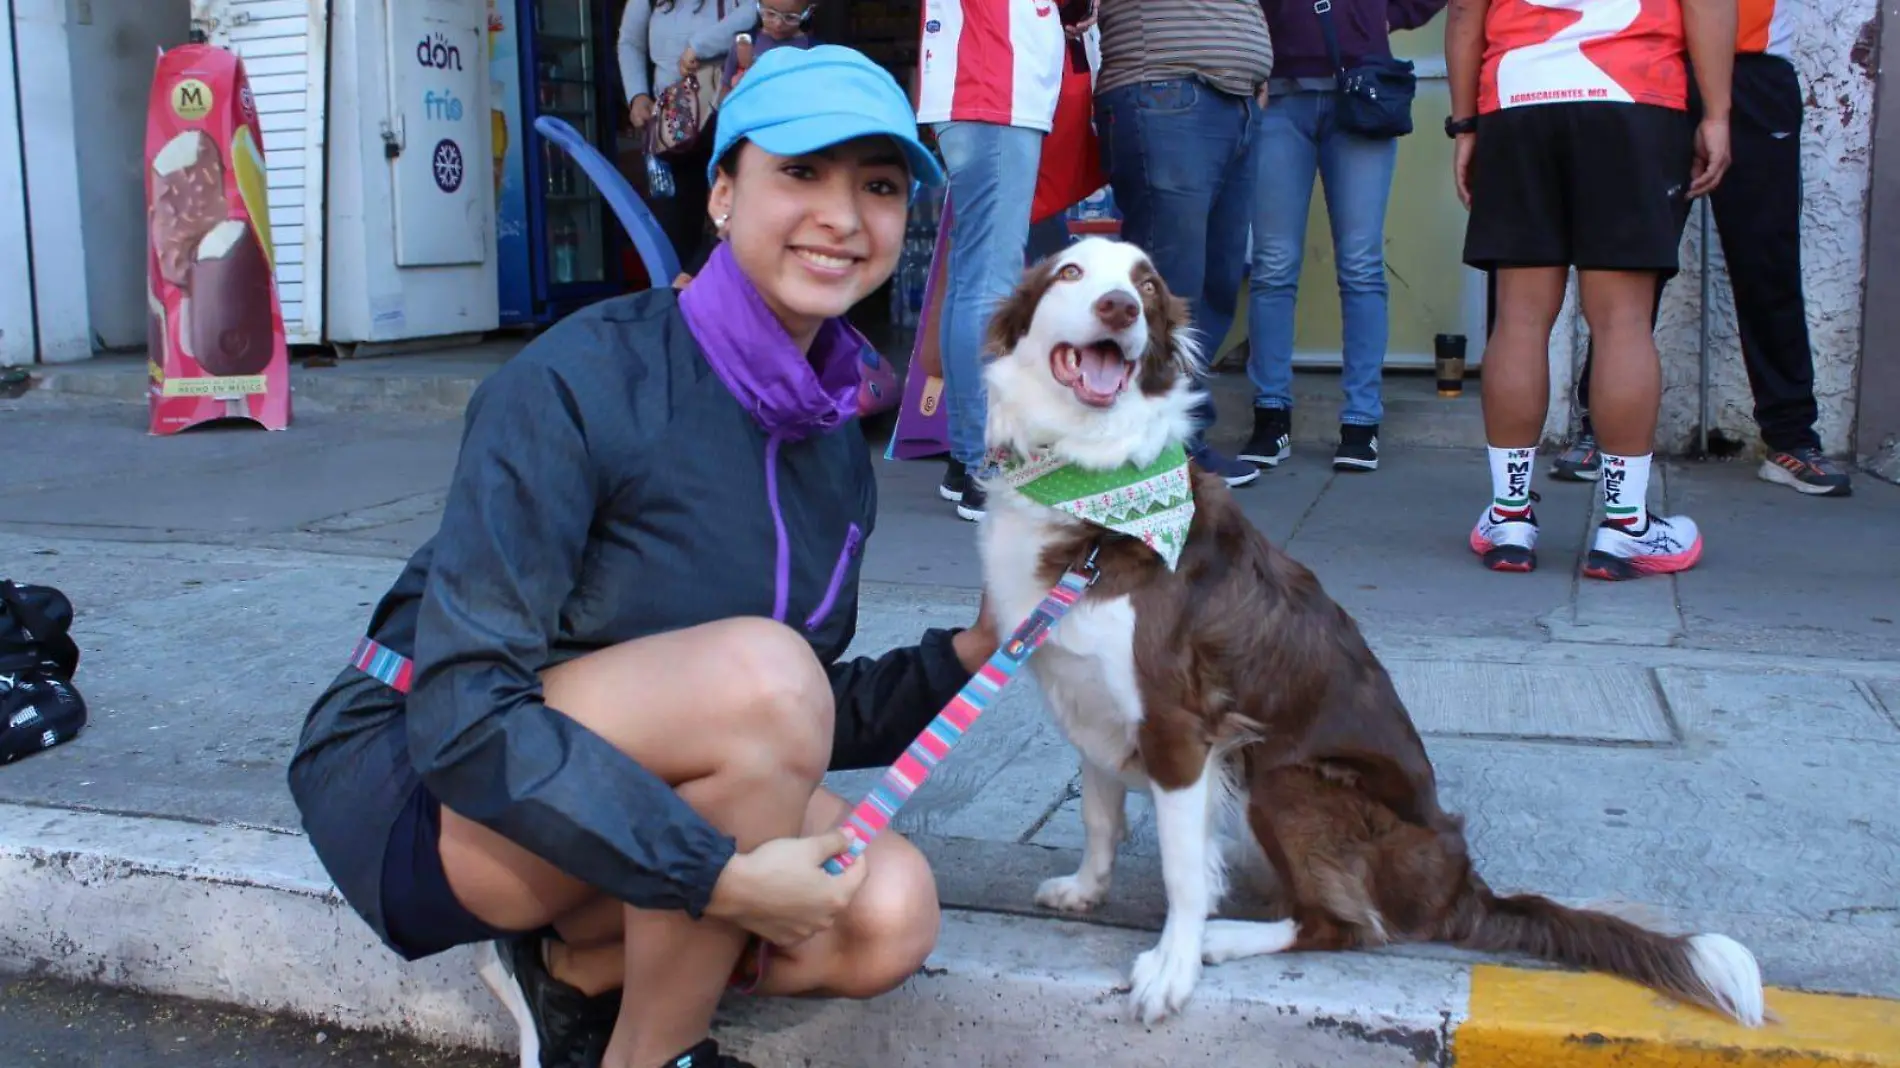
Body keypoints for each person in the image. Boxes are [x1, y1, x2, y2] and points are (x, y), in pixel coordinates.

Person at [288, 46, 993, 1068]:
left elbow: (793, 720)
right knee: (763, 680)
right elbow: (464, 713)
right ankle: (652, 1054)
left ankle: (572, 976)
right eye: (800, 172)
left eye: (879, 186)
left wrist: (973, 649)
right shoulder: (581, 376)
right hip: (423, 776)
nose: (843, 216)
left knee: (888, 912)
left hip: (617, 780)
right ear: (719, 193)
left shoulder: (834, 442)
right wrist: (716, 878)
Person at [1448, 0, 1733, 580]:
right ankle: (1625, 525)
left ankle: (1509, 518)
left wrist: (1465, 124)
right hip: (1631, 94)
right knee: (1621, 320)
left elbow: (1461, 12)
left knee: (1520, 320)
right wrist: (1718, 114)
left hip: (1518, 96)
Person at [1546, 0, 1852, 498]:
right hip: (1656, 62)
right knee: (1632, 259)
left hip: (1755, 64)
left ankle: (1791, 436)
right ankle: (1600, 426)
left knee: (1766, 258)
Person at [1239, 0, 1449, 474]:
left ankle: (1361, 422)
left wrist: (1375, 17)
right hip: (1277, 97)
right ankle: (1270, 415)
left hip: (1363, 90)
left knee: (1360, 263)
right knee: (1273, 263)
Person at [1091, 0, 1274, 488]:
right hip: (1164, 88)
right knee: (1168, 284)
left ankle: (1177, 438)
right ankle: (1147, 450)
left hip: (1233, 102)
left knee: (1214, 282)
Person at [915, 0, 1070, 520]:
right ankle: (988, 464)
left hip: (977, 84)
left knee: (971, 281)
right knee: (988, 284)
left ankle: (967, 458)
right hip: (992, 85)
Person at [620, 0, 760, 272]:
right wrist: (637, 95)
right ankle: (682, 301)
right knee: (677, 219)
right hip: (676, 123)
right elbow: (629, 42)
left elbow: (757, 9)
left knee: (735, 216)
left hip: (732, 115)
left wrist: (698, 46)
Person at [723, 0, 818, 88]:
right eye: (770, 13)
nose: (778, 24)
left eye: (790, 17)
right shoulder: (744, 43)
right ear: (758, 6)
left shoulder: (815, 50)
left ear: (807, 13)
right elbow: (725, 86)